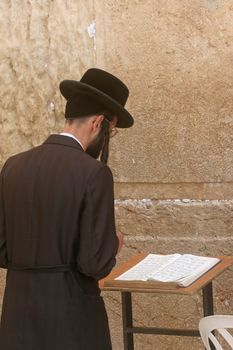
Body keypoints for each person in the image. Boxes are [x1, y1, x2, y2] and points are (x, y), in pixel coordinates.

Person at [0, 68, 134, 350]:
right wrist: (113, 244)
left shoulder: (12, 166)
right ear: (99, 123)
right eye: (113, 131)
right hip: (71, 321)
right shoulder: (94, 173)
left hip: (17, 319)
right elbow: (93, 263)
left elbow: (2, 250)